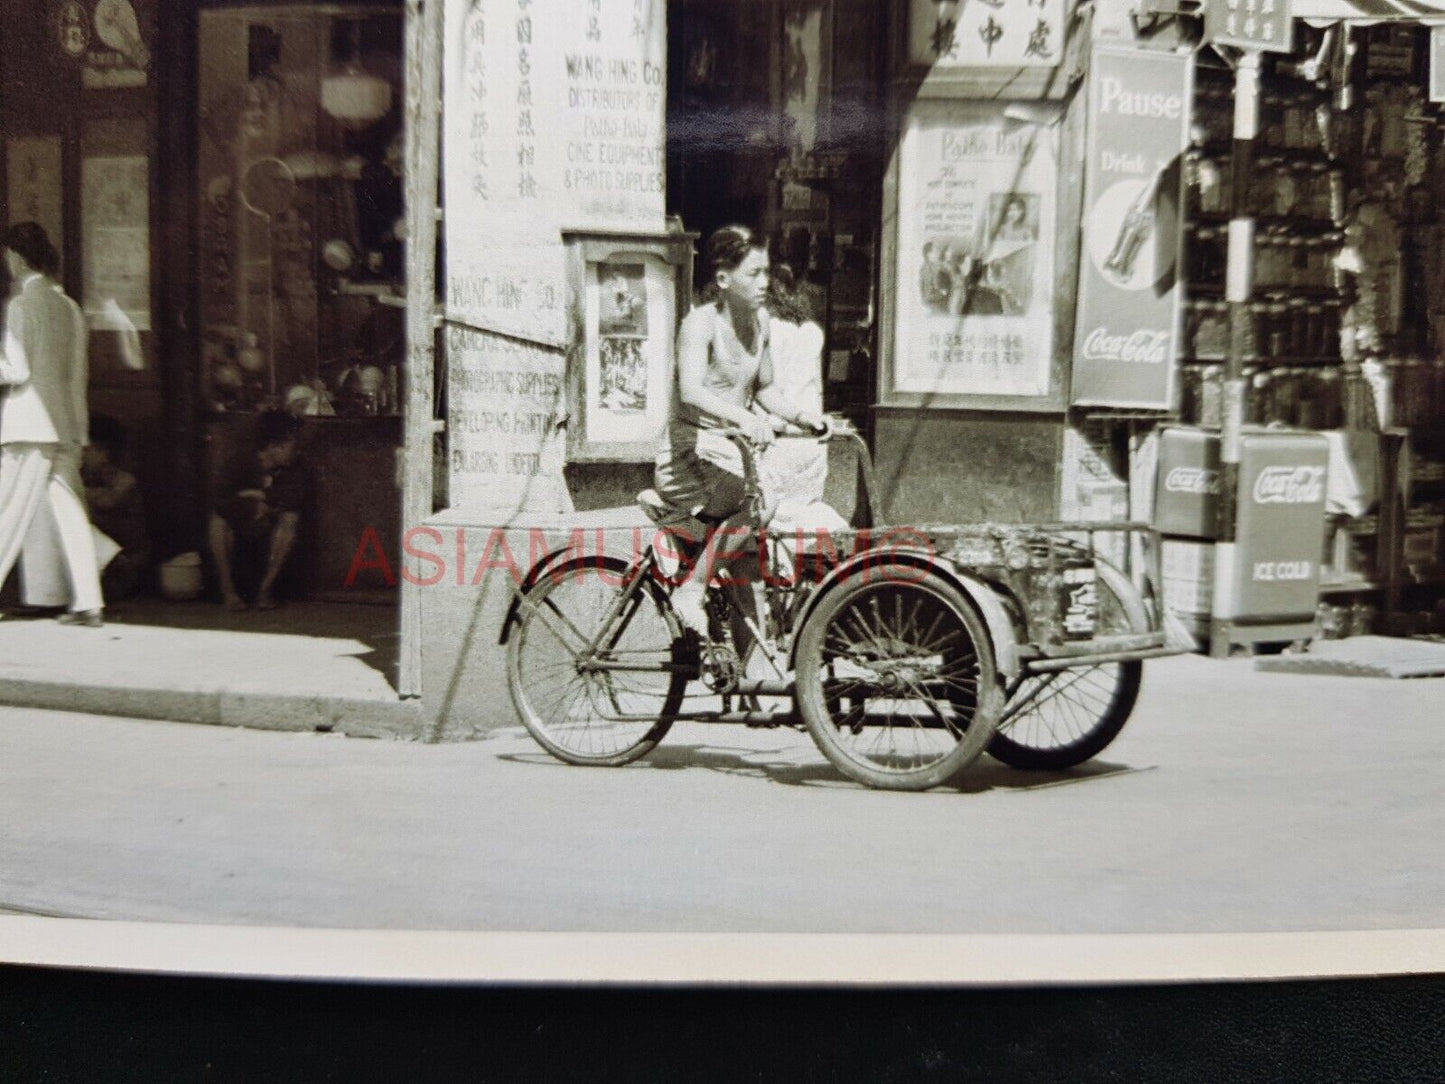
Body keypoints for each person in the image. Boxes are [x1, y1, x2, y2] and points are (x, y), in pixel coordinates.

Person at [648, 224, 827, 636]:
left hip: (730, 456)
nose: (765, 283)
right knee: (755, 507)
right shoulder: (699, 324)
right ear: (725, 279)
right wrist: (744, 418)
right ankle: (690, 590)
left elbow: (765, 388)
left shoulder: (761, 324)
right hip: (688, 456)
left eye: (766, 273)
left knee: (749, 572)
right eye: (754, 274)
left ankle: (750, 691)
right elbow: (691, 391)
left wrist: (806, 418)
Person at [0, 222, 105, 628]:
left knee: (5, 511)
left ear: (18, 259)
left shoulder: (21, 306)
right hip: (63, 426)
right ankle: (88, 602)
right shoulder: (70, 308)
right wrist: (80, 433)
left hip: (27, 425)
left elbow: (16, 369)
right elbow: (78, 377)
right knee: (71, 512)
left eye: (8, 255)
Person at [208, 410, 309, 611]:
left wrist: (264, 499)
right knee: (217, 521)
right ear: (274, 446)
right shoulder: (241, 461)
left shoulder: (294, 467)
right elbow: (218, 498)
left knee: (290, 519)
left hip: (270, 531)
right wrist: (250, 503)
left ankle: (265, 590)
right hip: (241, 527)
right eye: (291, 445)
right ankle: (228, 591)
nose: (295, 450)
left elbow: (293, 498)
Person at [82, 414, 150, 602]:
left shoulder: (125, 481)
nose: (82, 455)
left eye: (88, 450)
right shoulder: (87, 479)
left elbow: (106, 501)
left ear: (105, 453)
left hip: (124, 569)